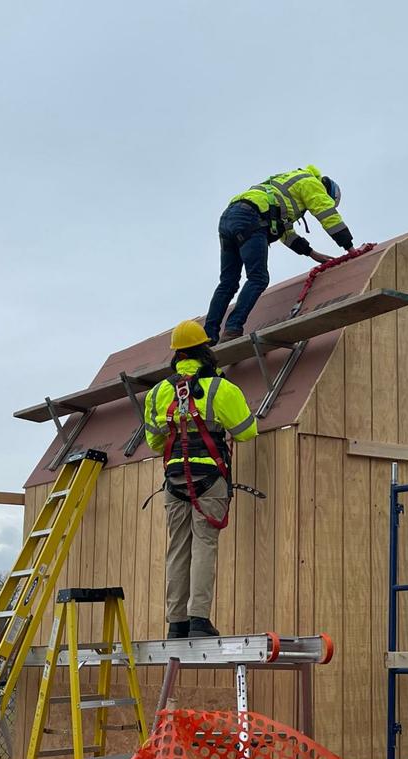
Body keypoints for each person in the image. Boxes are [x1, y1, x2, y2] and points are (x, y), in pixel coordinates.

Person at [143, 319, 258, 638]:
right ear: (206, 349)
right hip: (210, 478)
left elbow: (154, 442)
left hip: (174, 480)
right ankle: (198, 620)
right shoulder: (221, 388)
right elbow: (247, 430)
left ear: (176, 355)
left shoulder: (157, 392)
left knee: (178, 548)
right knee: (204, 545)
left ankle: (176, 623)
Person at [204, 165, 356, 345]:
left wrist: (311, 253)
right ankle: (233, 328)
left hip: (229, 218)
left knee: (228, 282)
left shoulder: (284, 187)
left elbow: (285, 233)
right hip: (251, 217)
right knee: (258, 278)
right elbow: (327, 214)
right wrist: (349, 247)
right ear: (327, 190)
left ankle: (208, 337)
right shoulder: (310, 183)